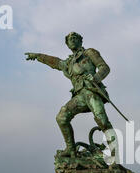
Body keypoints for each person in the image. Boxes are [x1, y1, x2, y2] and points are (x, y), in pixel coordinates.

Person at [25, 32, 117, 162]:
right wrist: (38, 56)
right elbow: (56, 62)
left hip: (91, 92)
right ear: (67, 44)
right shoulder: (68, 63)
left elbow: (104, 68)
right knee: (61, 117)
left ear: (80, 41)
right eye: (70, 39)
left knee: (103, 121)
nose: (72, 40)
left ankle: (114, 153)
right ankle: (71, 149)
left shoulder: (89, 53)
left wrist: (95, 78)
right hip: (80, 95)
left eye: (75, 38)